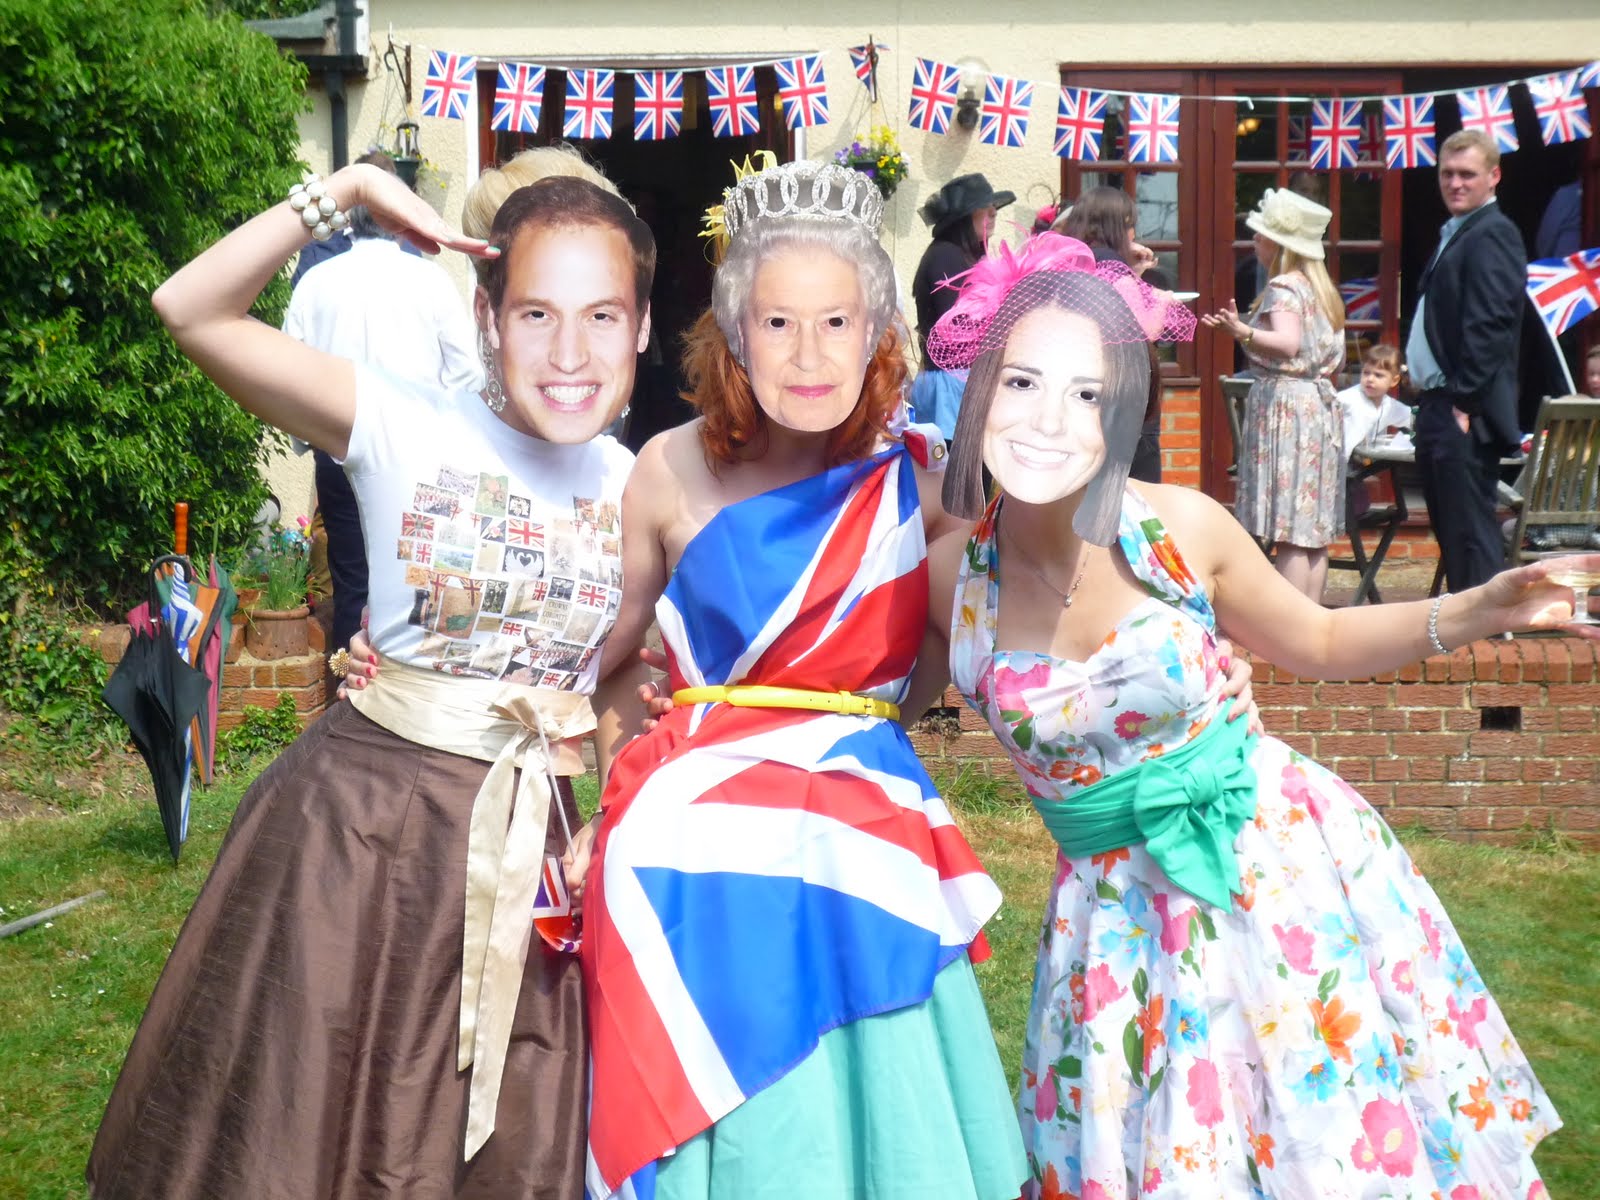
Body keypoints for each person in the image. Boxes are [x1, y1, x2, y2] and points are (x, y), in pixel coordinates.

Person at [923, 231, 1580, 1199]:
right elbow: (854, 702)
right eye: (1021, 383)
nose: (1050, 418)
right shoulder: (950, 578)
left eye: (1087, 393)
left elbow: (1318, 639)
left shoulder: (1177, 529)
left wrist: (1477, 609)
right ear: (981, 393)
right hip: (1110, 929)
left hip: (1270, 872)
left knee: (1320, 1150)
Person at [88, 166, 652, 1199]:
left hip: (534, 846)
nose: (570, 354)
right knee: (306, 1111)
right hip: (360, 833)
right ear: (485, 318)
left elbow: (622, 684)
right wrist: (341, 193)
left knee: (499, 1133)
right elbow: (190, 309)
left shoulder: (641, 485)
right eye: (536, 314)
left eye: (601, 316)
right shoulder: (399, 420)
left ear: (643, 328)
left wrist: (609, 819)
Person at [577, 159, 1030, 1200]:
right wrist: (608, 795)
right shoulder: (665, 468)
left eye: (836, 323)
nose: (810, 354)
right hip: (692, 848)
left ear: (877, 333)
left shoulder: (926, 483)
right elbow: (599, 664)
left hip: (857, 837)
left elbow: (976, 645)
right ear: (734, 334)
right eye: (778, 324)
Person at [282, 177, 481, 653]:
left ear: (349, 219)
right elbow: (468, 372)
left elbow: (288, 370)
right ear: (397, 219)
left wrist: (308, 438)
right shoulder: (431, 280)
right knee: (422, 580)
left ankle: (351, 691)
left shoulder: (315, 282)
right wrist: (444, 424)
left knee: (352, 583)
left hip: (340, 446)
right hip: (420, 453)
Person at [1202, 188, 1346, 601]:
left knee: (1289, 531)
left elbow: (1287, 342)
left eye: (1262, 234)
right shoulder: (1320, 288)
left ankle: (1289, 626)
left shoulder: (1283, 286)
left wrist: (1241, 331)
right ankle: (1310, 620)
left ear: (1280, 245)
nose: (1255, 240)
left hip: (1289, 412)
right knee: (1310, 534)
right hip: (1316, 408)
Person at [1406, 129, 1528, 592]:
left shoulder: (1492, 232)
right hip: (1439, 402)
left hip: (1462, 409)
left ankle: (1488, 630)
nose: (1455, 183)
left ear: (1494, 176)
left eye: (1467, 174)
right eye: (1447, 174)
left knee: (1470, 534)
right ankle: (1473, 624)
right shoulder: (1459, 231)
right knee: (1454, 530)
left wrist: (1465, 401)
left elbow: (1491, 321)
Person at [1056, 186, 1167, 483]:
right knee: (1135, 490)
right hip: (1123, 397)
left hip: (1082, 389)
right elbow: (1145, 332)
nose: (1134, 234)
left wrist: (1136, 273)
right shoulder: (1114, 267)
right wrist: (1161, 301)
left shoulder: (1074, 260)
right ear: (1120, 225)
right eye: (1131, 225)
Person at [910, 172, 1015, 441]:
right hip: (948, 386)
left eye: (994, 208)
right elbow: (956, 329)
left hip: (961, 382)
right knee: (953, 462)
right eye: (985, 209)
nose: (993, 213)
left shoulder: (965, 255)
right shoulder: (945, 255)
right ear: (964, 218)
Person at [1334, 342, 1411, 459]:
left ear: (1394, 380)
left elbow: (1412, 418)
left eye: (1378, 375)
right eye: (1366, 373)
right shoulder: (1348, 398)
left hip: (1363, 461)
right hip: (1338, 460)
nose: (1370, 379)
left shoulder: (1389, 405)